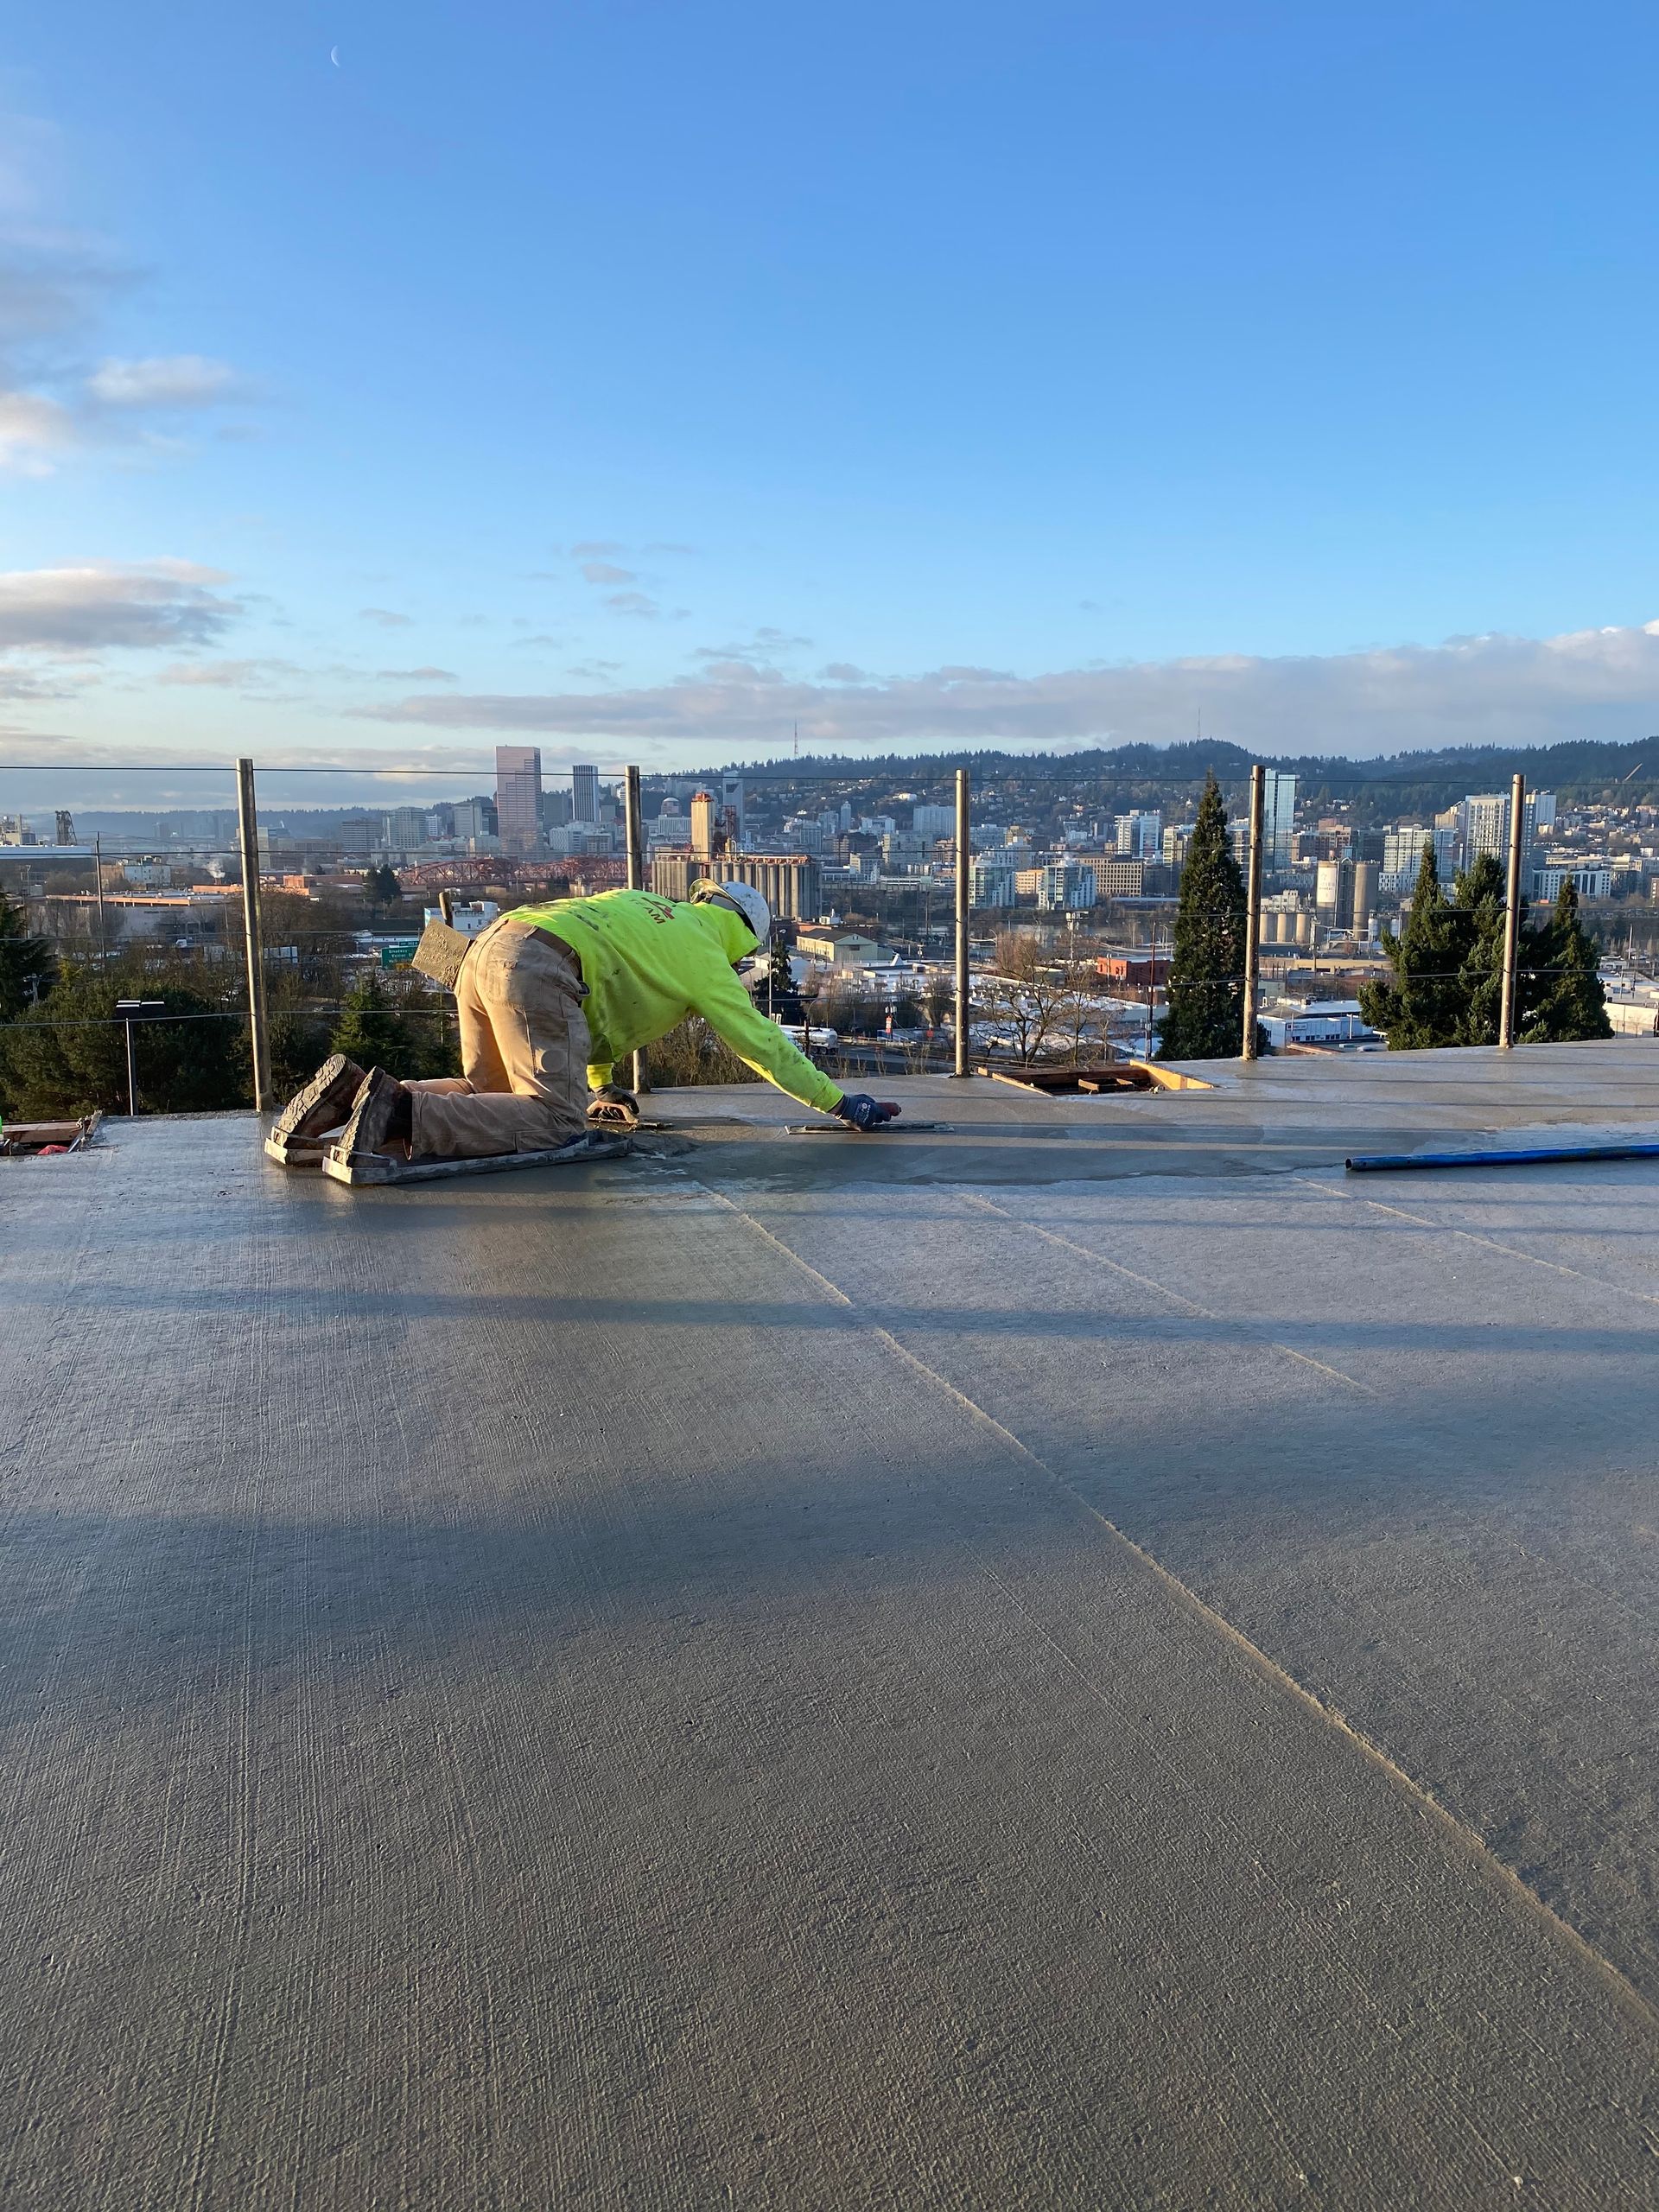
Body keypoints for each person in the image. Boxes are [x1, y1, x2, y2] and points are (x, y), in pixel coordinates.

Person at [272, 880, 901, 1165]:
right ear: (745, 940)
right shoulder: (708, 957)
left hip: (488, 948)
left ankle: (354, 1093)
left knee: (494, 1100)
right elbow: (763, 1044)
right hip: (540, 969)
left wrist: (599, 1085)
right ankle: (401, 1116)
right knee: (553, 1121)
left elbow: (596, 1012)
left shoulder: (647, 905)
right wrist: (842, 1103)